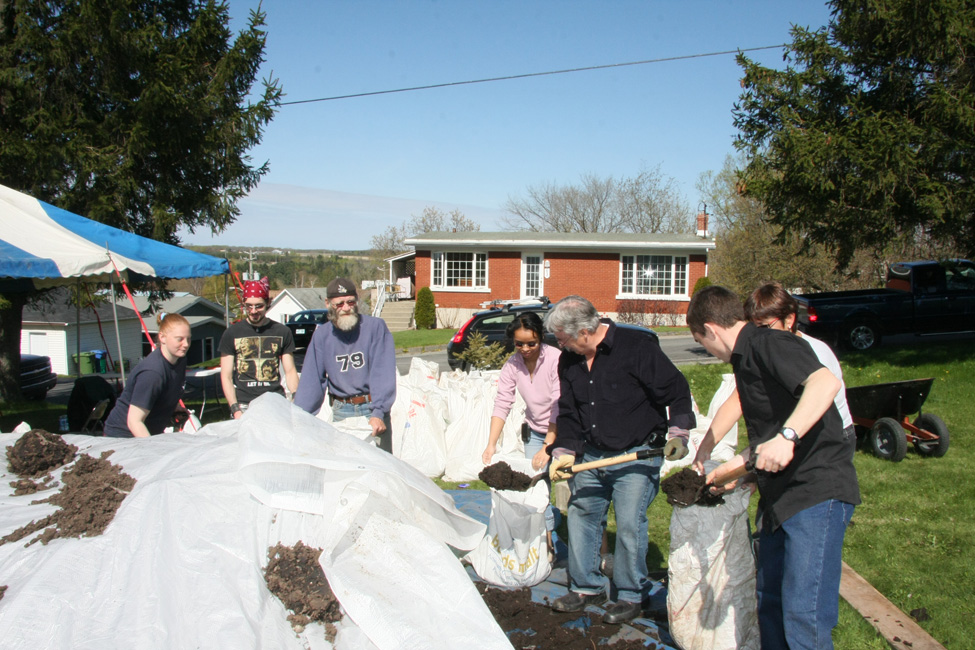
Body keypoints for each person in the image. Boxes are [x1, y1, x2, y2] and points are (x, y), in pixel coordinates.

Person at [686, 285, 860, 650]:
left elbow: (824, 382)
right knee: (770, 601)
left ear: (711, 329)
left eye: (702, 343)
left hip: (815, 494)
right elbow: (768, 436)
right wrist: (739, 472)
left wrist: (788, 436)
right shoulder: (746, 360)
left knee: (804, 616)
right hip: (779, 497)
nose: (708, 351)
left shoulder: (769, 343)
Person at [543, 295, 695, 625]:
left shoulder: (636, 347)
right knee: (582, 515)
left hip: (635, 454)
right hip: (592, 454)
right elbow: (568, 411)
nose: (559, 345)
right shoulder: (569, 360)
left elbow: (677, 390)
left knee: (628, 523)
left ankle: (631, 594)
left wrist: (679, 433)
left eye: (562, 338)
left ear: (584, 331)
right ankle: (586, 587)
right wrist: (564, 451)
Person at [693, 282, 854, 471]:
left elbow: (823, 388)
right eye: (753, 325)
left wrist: (784, 438)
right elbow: (738, 400)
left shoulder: (809, 351)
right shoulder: (758, 352)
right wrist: (707, 447)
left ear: (790, 319)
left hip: (828, 440)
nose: (758, 333)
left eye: (764, 326)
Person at [481, 311, 561, 547]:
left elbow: (559, 405)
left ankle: (593, 545)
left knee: (577, 492)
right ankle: (545, 545)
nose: (525, 349)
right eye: (519, 344)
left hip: (564, 431)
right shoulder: (512, 365)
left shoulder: (555, 359)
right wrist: (491, 444)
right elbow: (502, 402)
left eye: (531, 343)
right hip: (535, 432)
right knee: (535, 489)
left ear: (541, 338)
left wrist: (548, 446)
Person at [294, 277, 396, 452]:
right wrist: (301, 418)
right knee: (345, 470)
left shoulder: (375, 328)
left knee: (380, 472)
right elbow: (312, 382)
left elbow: (382, 373)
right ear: (328, 303)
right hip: (342, 410)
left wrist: (378, 412)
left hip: (372, 408)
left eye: (350, 302)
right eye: (339, 304)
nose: (346, 308)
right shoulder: (322, 336)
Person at [219, 276, 299, 419]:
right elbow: (226, 376)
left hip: (275, 402)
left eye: (259, 306)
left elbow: (290, 371)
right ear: (243, 303)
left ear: (268, 303)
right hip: (244, 404)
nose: (254, 311)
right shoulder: (232, 333)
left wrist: (295, 399)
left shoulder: (282, 331)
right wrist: (235, 408)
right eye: (249, 306)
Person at [104, 313, 191, 438]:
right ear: (162, 337)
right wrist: (152, 449)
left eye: (188, 338)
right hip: (123, 438)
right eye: (180, 339)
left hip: (149, 433)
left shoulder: (180, 360)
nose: (186, 344)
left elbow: (165, 391)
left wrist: (174, 407)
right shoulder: (152, 373)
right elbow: (134, 421)